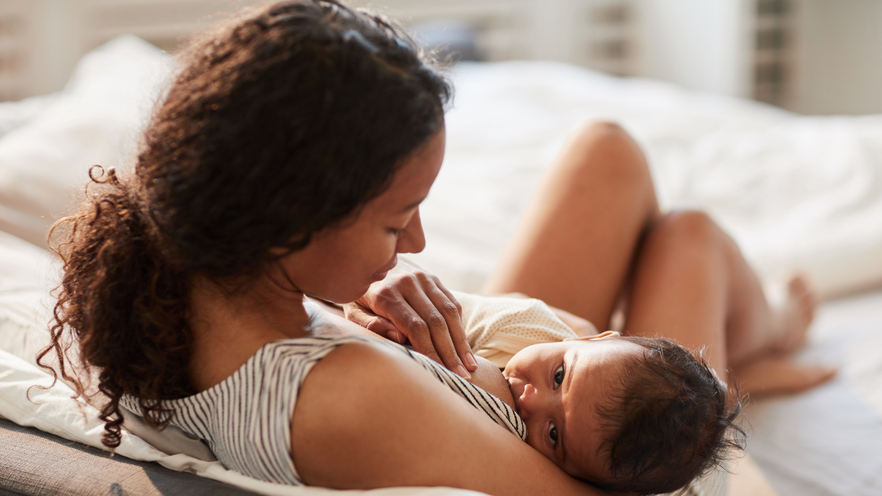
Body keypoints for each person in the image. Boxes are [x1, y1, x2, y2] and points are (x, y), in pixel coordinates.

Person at [36, 1, 835, 495]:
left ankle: (747, 345)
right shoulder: (349, 398)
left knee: (606, 152)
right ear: (289, 218)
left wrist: (354, 306)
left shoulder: (184, 270)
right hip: (605, 441)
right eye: (395, 221)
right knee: (688, 237)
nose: (416, 241)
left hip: (492, 383)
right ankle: (754, 349)